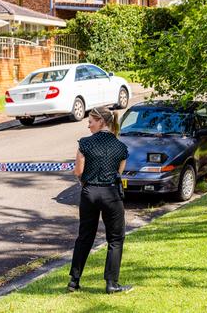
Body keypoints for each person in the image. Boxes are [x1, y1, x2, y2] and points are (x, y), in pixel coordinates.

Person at [67, 106, 133, 294]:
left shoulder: (85, 144)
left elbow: (78, 171)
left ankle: (74, 281)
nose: (88, 126)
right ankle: (111, 283)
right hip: (111, 195)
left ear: (101, 122)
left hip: (89, 193)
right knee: (116, 239)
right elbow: (118, 173)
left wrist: (86, 182)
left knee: (85, 237)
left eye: (91, 122)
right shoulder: (121, 147)